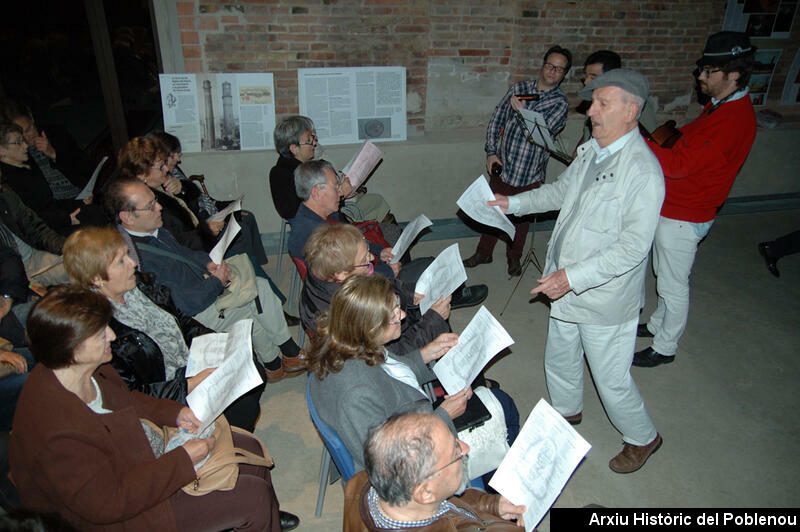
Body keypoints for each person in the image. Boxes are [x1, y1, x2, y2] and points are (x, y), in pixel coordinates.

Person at [9, 286, 299, 531]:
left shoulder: (80, 369)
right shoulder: (58, 432)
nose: (111, 335)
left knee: (249, 450)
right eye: (100, 333)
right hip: (121, 515)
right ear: (73, 349)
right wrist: (183, 459)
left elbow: (128, 398)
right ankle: (257, 512)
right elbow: (108, 504)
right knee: (252, 496)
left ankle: (261, 518)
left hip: (137, 460)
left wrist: (174, 413)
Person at [489, 69, 664, 473]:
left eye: (603, 103)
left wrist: (572, 277)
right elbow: (558, 192)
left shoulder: (643, 171)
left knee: (610, 378)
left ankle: (643, 436)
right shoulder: (592, 152)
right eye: (592, 102)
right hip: (564, 281)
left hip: (602, 297)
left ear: (631, 110)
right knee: (561, 355)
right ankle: (567, 414)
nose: (591, 111)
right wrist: (511, 205)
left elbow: (633, 248)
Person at [103, 176, 305, 382]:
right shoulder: (137, 261)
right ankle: (289, 354)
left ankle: (276, 364)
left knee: (256, 295)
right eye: (150, 205)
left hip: (202, 285)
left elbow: (185, 253)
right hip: (197, 311)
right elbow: (184, 305)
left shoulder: (151, 231)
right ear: (127, 217)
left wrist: (207, 263)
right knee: (256, 297)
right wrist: (216, 282)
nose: (160, 207)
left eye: (155, 199)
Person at [62, 226, 264, 431]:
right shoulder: (99, 332)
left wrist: (217, 342)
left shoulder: (140, 285)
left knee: (251, 367)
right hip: (169, 392)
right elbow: (133, 394)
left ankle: (234, 435)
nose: (133, 264)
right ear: (96, 279)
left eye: (128, 255)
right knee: (243, 396)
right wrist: (189, 384)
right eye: (121, 261)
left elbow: (181, 320)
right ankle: (229, 441)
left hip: (190, 362)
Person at [635, 32, 757, 368]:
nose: (701, 77)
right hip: (677, 208)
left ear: (734, 74)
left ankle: (665, 347)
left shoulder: (734, 120)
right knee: (663, 273)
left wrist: (639, 140)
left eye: (709, 71)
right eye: (701, 69)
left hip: (686, 214)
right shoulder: (719, 106)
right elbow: (688, 138)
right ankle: (659, 325)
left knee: (674, 284)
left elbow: (676, 166)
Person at [308, 274, 468, 471]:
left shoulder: (352, 344)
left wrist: (426, 354)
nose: (401, 315)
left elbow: (391, 373)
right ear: (371, 327)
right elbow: (390, 461)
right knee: (500, 407)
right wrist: (444, 415)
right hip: (414, 465)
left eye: (397, 306)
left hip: (408, 425)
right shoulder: (356, 395)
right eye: (393, 314)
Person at [289, 160, 488, 308]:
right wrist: (386, 272)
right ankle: (445, 303)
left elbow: (355, 241)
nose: (341, 192)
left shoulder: (321, 215)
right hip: (359, 297)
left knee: (429, 263)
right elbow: (345, 280)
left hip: (366, 272)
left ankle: (451, 295)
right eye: (336, 187)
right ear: (316, 192)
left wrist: (380, 251)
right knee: (428, 270)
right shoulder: (311, 236)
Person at [463, 45, 571, 276]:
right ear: (543, 65)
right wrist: (491, 152)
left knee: (521, 219)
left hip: (530, 171)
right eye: (550, 66)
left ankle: (514, 257)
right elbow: (497, 119)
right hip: (504, 164)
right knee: (491, 210)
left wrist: (523, 112)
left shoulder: (560, 103)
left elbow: (542, 134)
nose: (553, 72)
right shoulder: (520, 88)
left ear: (564, 75)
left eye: (559, 69)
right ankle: (484, 253)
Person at [344, 412, 526, 531]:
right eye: (455, 451)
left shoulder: (360, 484)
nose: (466, 448)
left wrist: (491, 505)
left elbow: (447, 504)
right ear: (425, 493)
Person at [300, 223, 450, 355]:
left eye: (368, 251)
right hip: (396, 349)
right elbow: (396, 353)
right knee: (442, 331)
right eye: (364, 259)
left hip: (390, 317)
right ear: (341, 273)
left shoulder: (324, 273)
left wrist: (411, 293)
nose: (372, 258)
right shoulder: (353, 313)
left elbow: (383, 284)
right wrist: (433, 320)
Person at [146, 131, 272, 267]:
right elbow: (177, 235)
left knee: (247, 217)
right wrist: (205, 228)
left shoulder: (171, 174)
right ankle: (245, 267)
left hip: (202, 220)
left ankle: (255, 266)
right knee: (240, 229)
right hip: (198, 234)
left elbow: (195, 198)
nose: (178, 159)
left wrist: (182, 187)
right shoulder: (149, 198)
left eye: (179, 154)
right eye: (173, 155)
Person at [270, 115, 393, 223]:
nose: (314, 143)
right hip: (322, 226)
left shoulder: (310, 166)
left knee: (379, 207)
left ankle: (395, 245)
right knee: (379, 224)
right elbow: (296, 211)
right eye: (309, 140)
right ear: (294, 148)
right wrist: (340, 194)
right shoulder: (281, 173)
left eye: (313, 138)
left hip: (333, 217)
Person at [0, 122, 106, 235]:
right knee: (94, 223)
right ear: (2, 150)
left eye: (23, 141)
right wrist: (68, 218)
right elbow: (32, 217)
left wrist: (80, 202)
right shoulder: (9, 180)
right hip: (48, 229)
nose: (25, 146)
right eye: (18, 142)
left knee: (94, 212)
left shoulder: (26, 166)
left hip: (58, 215)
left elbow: (51, 203)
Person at [0, 164, 68, 286]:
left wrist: (65, 247)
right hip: (11, 276)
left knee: (83, 269)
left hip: (34, 256)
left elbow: (35, 227)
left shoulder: (5, 193)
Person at [575, 50, 657, 149]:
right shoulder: (593, 100)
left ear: (610, 76)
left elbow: (650, 141)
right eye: (586, 76)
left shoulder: (636, 103)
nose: (586, 82)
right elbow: (589, 132)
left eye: (593, 77)